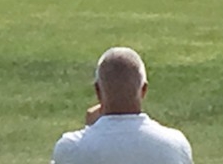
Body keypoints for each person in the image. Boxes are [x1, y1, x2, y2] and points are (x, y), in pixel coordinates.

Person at [50, 47, 193, 164]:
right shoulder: (175, 145)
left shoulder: (70, 148)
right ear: (143, 90)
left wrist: (90, 129)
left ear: (98, 91)